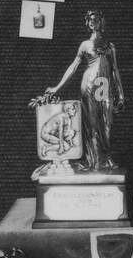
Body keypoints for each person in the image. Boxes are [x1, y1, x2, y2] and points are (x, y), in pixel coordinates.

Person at [34, 10, 125, 171]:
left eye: (96, 19)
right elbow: (73, 67)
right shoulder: (85, 45)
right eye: (90, 19)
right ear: (87, 23)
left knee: (106, 124)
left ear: (101, 22)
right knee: (91, 123)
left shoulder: (110, 46)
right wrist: (57, 87)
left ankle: (106, 157)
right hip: (89, 85)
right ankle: (95, 161)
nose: (93, 21)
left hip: (104, 86)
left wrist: (121, 95)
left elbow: (115, 70)